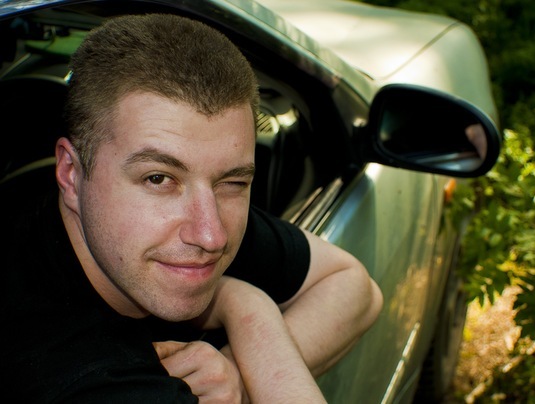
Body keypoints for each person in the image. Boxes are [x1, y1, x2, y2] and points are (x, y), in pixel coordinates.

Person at [1, 12, 383, 403]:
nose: (211, 236)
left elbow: (357, 287)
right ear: (70, 173)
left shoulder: (117, 216)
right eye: (158, 179)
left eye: (232, 182)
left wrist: (240, 351)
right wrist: (250, 313)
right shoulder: (73, 377)